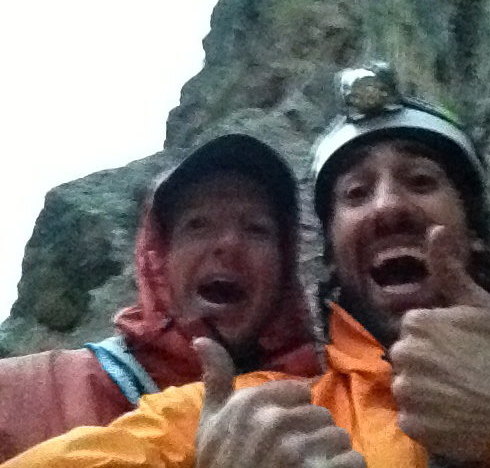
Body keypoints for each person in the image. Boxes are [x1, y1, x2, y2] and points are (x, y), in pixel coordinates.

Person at [6, 63, 490, 468]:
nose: (389, 206)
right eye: (356, 194)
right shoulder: (249, 418)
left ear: (475, 232)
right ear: (333, 254)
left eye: (420, 180)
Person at [0, 134, 319, 462]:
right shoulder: (23, 393)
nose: (229, 243)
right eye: (197, 225)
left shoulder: (327, 406)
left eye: (256, 229)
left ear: (285, 266)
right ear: (159, 259)